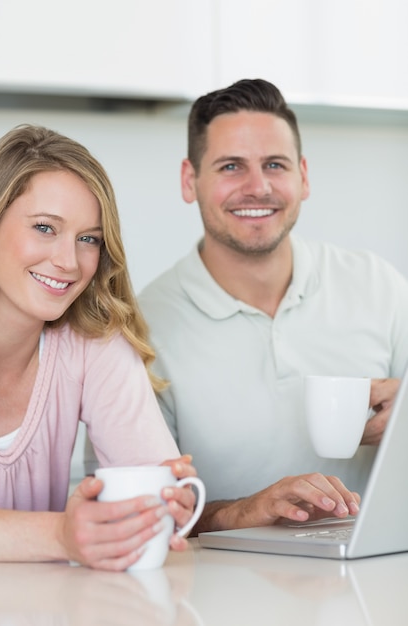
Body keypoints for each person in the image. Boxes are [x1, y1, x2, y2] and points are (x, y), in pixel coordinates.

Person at [137, 78, 408, 533]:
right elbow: (138, 509)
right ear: (190, 180)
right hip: (215, 594)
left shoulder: (377, 286)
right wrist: (244, 511)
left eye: (275, 165)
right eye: (230, 167)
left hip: (374, 578)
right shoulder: (143, 326)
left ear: (303, 176)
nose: (257, 186)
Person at [0, 124, 198, 570]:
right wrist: (58, 535)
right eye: (44, 228)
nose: (69, 261)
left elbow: (157, 481)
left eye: (88, 239)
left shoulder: (93, 345)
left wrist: (170, 503)